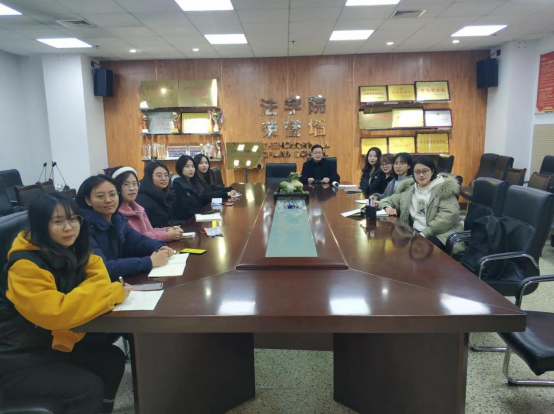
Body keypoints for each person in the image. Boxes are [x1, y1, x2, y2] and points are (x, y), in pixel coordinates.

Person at [0, 193, 132, 414]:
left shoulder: (71, 248)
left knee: (112, 360)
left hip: (50, 344)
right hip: (17, 359)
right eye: (58, 221)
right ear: (40, 225)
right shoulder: (24, 265)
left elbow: (98, 276)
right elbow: (56, 312)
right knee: (88, 388)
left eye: (73, 219)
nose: (68, 227)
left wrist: (91, 294)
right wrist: (111, 294)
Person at [76, 175, 174, 279]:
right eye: (100, 196)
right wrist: (149, 262)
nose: (108, 200)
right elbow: (103, 267)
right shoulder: (83, 228)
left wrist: (158, 247)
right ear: (88, 200)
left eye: (112, 194)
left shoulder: (117, 219)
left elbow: (138, 241)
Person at [379, 156, 463, 253]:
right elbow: (388, 200)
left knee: (425, 249)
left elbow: (448, 216)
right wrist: (387, 207)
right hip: (416, 232)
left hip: (440, 233)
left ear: (432, 171)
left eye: (425, 171)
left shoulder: (443, 189)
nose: (421, 175)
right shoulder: (410, 189)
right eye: (417, 172)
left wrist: (425, 233)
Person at [111, 166, 183, 242]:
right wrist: (167, 235)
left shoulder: (138, 209)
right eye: (126, 184)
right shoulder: (118, 214)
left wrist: (167, 229)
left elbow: (149, 231)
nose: (132, 188)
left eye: (135, 184)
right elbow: (138, 240)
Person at [135, 162, 179, 228]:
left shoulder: (167, 194)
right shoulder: (142, 198)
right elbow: (145, 227)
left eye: (166, 175)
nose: (164, 178)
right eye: (159, 176)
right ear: (149, 177)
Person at [173, 155, 211, 221]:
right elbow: (184, 210)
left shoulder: (193, 182)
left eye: (193, 166)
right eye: (187, 166)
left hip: (198, 217)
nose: (191, 169)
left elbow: (202, 199)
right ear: (180, 168)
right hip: (188, 221)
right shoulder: (178, 183)